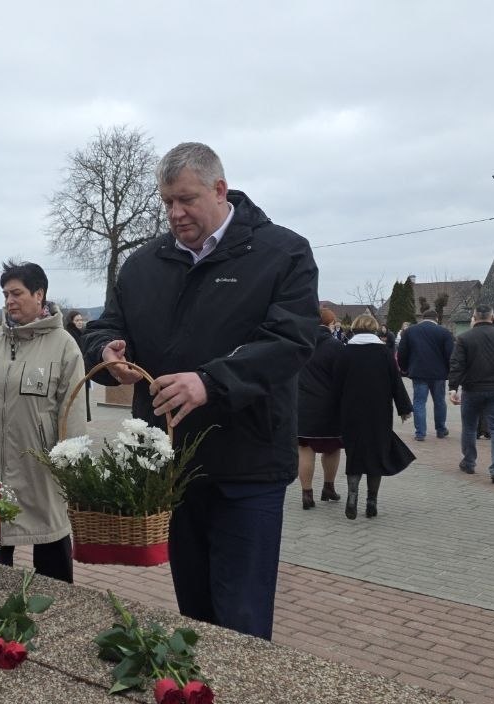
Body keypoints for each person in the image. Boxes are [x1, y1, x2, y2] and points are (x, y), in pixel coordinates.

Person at [82, 141, 318, 640]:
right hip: (170, 465)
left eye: (186, 199)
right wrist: (107, 353)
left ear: (219, 189)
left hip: (248, 466)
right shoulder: (143, 264)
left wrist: (210, 381)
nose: (175, 212)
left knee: (241, 620)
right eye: (167, 201)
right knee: (194, 612)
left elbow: (290, 341)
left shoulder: (283, 252)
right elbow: (105, 327)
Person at [0, 261, 87, 583]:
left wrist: (74, 466)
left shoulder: (64, 345)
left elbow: (72, 409)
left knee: (51, 548)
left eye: (17, 293)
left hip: (41, 469)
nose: (9, 300)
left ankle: (60, 614)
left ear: (39, 294)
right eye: (5, 294)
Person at [328, 314, 414, 519]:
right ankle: (371, 502)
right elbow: (396, 382)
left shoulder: (345, 352)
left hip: (351, 412)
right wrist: (404, 408)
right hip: (379, 413)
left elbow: (336, 385)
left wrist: (332, 411)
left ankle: (352, 497)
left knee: (355, 454)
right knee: (377, 455)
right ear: (375, 329)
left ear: (354, 329)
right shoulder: (384, 352)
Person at [449, 305, 494, 485]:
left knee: (469, 427)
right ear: (493, 317)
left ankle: (469, 462)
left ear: (474, 317)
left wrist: (453, 388)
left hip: (472, 389)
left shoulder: (464, 338)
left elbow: (456, 364)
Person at [296, 307, 345, 508]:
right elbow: (342, 378)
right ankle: (328, 488)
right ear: (329, 323)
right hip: (330, 406)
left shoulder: (299, 343)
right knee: (332, 448)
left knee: (305, 448)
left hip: (303, 404)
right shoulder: (336, 346)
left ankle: (307, 494)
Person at [397, 308, 455, 441]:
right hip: (439, 374)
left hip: (418, 372)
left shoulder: (410, 331)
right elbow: (450, 355)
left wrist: (404, 368)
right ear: (437, 319)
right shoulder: (444, 332)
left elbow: (402, 352)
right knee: (439, 401)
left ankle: (420, 433)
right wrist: (449, 371)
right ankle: (440, 430)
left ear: (422, 318)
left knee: (419, 402)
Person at [63, 309, 92, 422]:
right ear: (71, 321)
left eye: (81, 320)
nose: (80, 322)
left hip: (83, 372)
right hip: (75, 373)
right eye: (77, 320)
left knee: (82, 400)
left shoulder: (81, 334)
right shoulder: (70, 335)